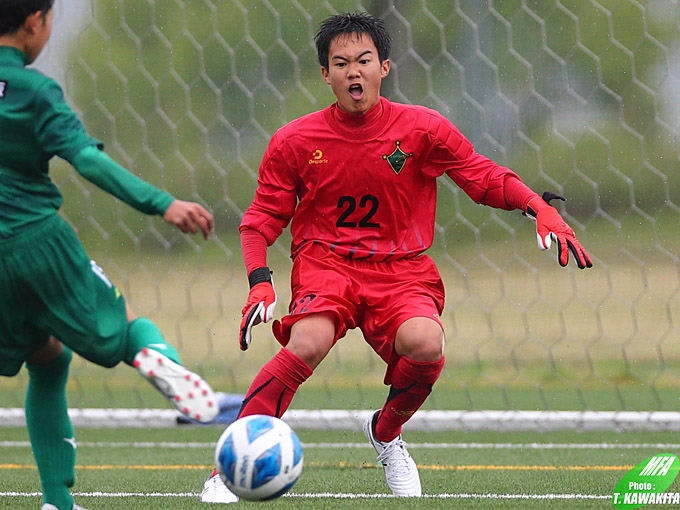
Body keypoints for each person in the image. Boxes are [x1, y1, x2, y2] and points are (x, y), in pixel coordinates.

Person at [200, 11, 593, 503]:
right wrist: (260, 279)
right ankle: (229, 466)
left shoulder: (421, 129)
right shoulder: (295, 141)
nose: (353, 72)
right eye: (340, 63)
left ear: (384, 66)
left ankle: (385, 434)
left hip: (402, 267)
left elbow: (482, 176)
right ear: (326, 74)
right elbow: (261, 217)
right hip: (327, 263)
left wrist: (538, 207)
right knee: (307, 341)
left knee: (427, 343)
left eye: (364, 60)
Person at [0, 2, 221, 509]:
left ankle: (57, 500)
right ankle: (152, 357)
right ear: (34, 21)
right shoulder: (36, 91)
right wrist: (162, 203)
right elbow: (87, 161)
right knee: (122, 328)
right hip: (38, 243)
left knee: (47, 359)